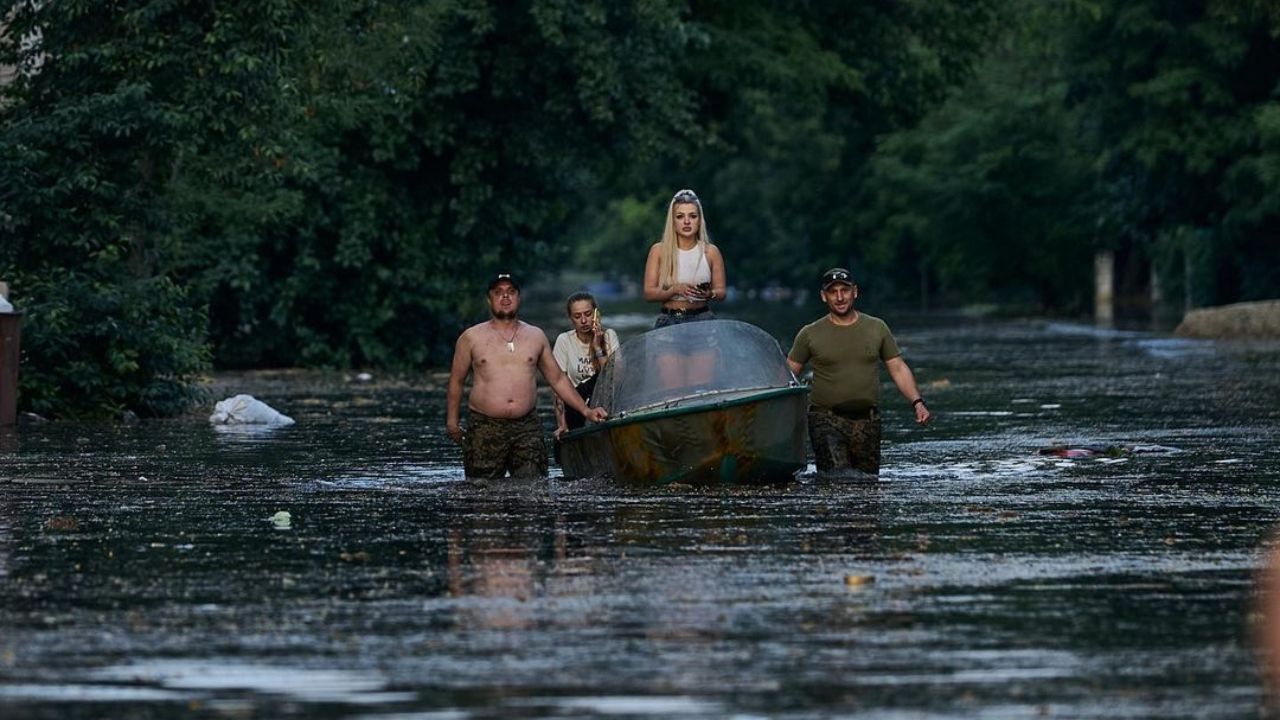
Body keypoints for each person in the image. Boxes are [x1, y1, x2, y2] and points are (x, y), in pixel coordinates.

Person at [446, 273, 608, 479]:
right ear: (490, 299)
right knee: (482, 498)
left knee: (533, 495)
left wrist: (587, 411)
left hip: (527, 427)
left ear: (518, 297)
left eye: (511, 292)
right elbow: (456, 381)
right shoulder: (471, 337)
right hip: (485, 427)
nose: (505, 297)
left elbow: (557, 379)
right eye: (499, 293)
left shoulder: (535, 336)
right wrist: (452, 422)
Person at [786, 267, 932, 476]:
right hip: (826, 420)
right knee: (838, 480)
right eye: (832, 291)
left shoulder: (877, 328)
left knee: (867, 487)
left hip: (867, 421)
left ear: (855, 292)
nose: (839, 297)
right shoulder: (810, 334)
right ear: (823, 296)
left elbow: (898, 368)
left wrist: (917, 402)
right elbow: (789, 373)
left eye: (844, 290)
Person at [642, 188, 727, 388]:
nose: (687, 222)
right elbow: (649, 293)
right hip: (669, 321)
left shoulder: (710, 251)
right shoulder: (659, 250)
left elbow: (722, 291)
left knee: (702, 389)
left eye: (692, 216)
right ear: (673, 221)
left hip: (703, 320)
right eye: (680, 216)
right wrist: (675, 289)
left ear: (699, 220)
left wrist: (710, 293)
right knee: (672, 390)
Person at [552, 291, 620, 439]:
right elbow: (558, 388)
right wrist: (562, 424)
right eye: (577, 316)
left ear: (596, 314)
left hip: (605, 401)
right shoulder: (564, 340)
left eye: (588, 314)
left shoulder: (609, 336)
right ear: (571, 319)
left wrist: (597, 347)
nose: (583, 320)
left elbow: (612, 377)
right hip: (577, 406)